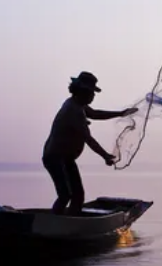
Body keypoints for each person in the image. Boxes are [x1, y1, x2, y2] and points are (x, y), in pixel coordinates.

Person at [42, 71, 137, 215]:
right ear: (83, 92)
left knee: (78, 194)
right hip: (55, 158)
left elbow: (96, 114)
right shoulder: (73, 110)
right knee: (65, 194)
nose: (93, 96)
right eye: (92, 92)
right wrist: (105, 156)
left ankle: (71, 222)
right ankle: (53, 224)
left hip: (66, 158)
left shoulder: (77, 104)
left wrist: (120, 113)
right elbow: (89, 139)